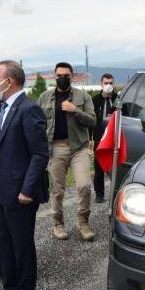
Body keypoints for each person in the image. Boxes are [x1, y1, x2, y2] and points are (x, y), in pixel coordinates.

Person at [0, 60, 49, 290]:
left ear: (9, 82)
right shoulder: (4, 106)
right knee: (5, 242)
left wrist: (27, 190)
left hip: (20, 193)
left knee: (21, 245)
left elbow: (39, 154)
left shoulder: (28, 109)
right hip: (2, 190)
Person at [38, 62, 97, 241]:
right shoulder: (44, 97)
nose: (62, 78)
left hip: (78, 147)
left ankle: (83, 222)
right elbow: (37, 122)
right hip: (55, 147)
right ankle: (58, 223)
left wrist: (75, 110)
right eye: (59, 75)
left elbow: (93, 121)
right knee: (57, 190)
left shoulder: (83, 96)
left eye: (66, 75)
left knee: (84, 185)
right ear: (54, 77)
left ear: (72, 77)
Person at [91, 73, 118, 203]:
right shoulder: (94, 101)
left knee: (114, 168)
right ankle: (99, 194)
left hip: (114, 140)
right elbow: (91, 120)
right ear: (101, 84)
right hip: (98, 139)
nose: (108, 86)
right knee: (98, 168)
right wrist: (90, 137)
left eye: (111, 83)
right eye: (106, 83)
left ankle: (116, 194)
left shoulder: (118, 100)